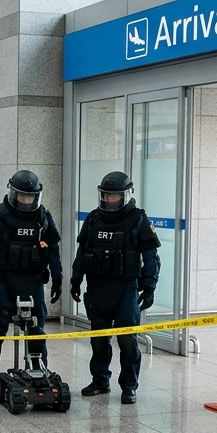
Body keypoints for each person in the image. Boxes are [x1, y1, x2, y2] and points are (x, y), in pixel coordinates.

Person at [71, 172, 161, 404]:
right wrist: (75, 280)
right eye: (107, 196)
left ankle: (129, 386)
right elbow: (82, 254)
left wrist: (149, 286)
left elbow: (151, 257)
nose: (110, 200)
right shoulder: (92, 219)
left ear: (126, 195)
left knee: (127, 342)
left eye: (115, 196)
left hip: (126, 290)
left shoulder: (138, 219)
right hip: (98, 288)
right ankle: (100, 380)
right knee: (99, 340)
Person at [0, 170, 62, 399]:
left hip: (32, 283)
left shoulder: (43, 217)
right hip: (3, 282)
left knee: (36, 332)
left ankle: (39, 374)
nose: (26, 201)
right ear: (13, 194)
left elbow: (53, 250)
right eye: (22, 196)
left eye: (30, 197)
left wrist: (58, 277)